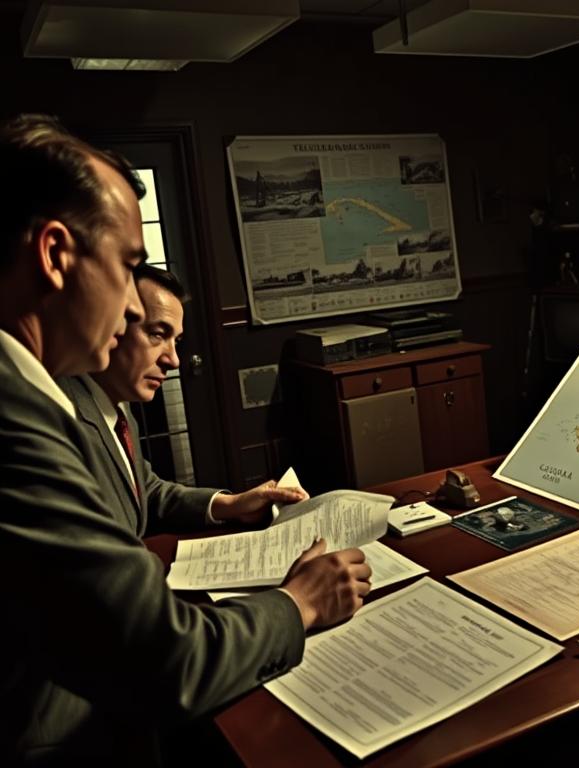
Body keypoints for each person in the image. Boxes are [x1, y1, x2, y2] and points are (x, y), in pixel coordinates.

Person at [0, 114, 371, 766]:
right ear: (56, 256)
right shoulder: (14, 416)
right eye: (127, 265)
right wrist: (298, 602)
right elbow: (166, 662)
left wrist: (222, 504)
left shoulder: (36, 389)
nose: (131, 310)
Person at [58, 264, 303, 538]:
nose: (173, 360)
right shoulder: (61, 419)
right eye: (157, 334)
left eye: (176, 340)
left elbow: (143, 491)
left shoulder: (116, 406)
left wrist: (231, 504)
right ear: (108, 325)